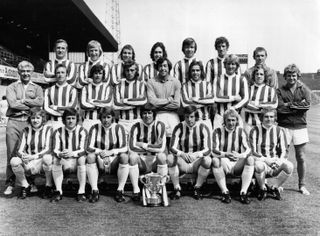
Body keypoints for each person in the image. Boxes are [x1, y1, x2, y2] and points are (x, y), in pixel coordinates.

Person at [4, 61, 44, 195]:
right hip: (14, 121)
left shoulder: (37, 88)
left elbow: (40, 103)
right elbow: (12, 104)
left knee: (29, 150)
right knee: (12, 152)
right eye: (23, 71)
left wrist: (22, 101)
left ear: (31, 73)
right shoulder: (11, 87)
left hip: (29, 122)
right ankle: (10, 182)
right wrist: (30, 104)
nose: (26, 73)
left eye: (28, 71)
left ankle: (30, 181)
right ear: (19, 72)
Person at [277, 64, 311, 195]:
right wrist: (297, 106)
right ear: (285, 77)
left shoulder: (304, 89)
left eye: (294, 75)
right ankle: (278, 184)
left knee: (301, 157)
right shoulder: (280, 90)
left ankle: (302, 185)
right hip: (284, 126)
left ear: (298, 76)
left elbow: (307, 105)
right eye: (289, 75)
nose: (291, 78)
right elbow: (279, 109)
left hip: (300, 126)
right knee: (282, 156)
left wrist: (289, 105)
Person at [168, 106, 211, 200]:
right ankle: (177, 188)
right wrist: (182, 154)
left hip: (196, 162)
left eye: (191, 116)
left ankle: (197, 188)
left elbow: (208, 149)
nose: (189, 119)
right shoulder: (179, 127)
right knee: (170, 158)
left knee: (207, 160)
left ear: (196, 116)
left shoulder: (203, 127)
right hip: (183, 161)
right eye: (187, 117)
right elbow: (172, 147)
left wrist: (196, 154)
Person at [250, 107, 293, 200]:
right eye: (266, 117)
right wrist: (266, 160)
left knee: (289, 166)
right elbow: (252, 151)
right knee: (259, 165)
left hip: (274, 162)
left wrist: (279, 162)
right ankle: (262, 189)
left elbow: (284, 150)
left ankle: (274, 188)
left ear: (275, 118)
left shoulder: (279, 130)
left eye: (271, 117)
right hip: (260, 161)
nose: (269, 119)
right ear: (262, 118)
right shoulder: (254, 130)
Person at [211, 109, 254, 204]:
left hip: (237, 163)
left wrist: (240, 155)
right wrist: (225, 154)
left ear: (237, 121)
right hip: (224, 162)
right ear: (224, 121)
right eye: (228, 120)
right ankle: (225, 192)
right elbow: (213, 151)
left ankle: (243, 192)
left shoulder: (241, 131)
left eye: (233, 120)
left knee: (250, 159)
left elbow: (249, 149)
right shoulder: (217, 132)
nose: (231, 123)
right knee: (215, 160)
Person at [86, 107, 128, 203]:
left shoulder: (119, 128)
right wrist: (102, 152)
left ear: (112, 117)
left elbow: (125, 147)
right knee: (90, 156)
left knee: (124, 157)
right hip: (100, 159)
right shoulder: (94, 128)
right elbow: (89, 147)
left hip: (114, 160)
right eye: (103, 117)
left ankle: (120, 190)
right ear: (100, 118)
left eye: (108, 117)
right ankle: (95, 191)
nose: (105, 120)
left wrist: (111, 152)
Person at [10, 107, 53, 199]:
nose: (35, 120)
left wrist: (33, 157)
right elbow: (19, 150)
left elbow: (48, 148)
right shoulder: (25, 130)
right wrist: (24, 156)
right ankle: (25, 185)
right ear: (29, 119)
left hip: (40, 160)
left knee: (48, 158)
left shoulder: (48, 130)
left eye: (38, 118)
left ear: (43, 119)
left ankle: (48, 185)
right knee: (14, 161)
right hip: (29, 161)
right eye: (33, 118)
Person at [128, 104, 167, 201]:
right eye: (144, 113)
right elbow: (131, 147)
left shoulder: (160, 125)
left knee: (162, 156)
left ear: (153, 114)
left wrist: (142, 144)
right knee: (132, 157)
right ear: (141, 115)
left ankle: (159, 190)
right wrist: (153, 146)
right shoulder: (135, 126)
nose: (147, 115)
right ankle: (136, 190)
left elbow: (161, 148)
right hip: (142, 160)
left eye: (149, 113)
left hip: (154, 160)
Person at [51, 108, 88, 202]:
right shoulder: (58, 131)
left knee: (82, 159)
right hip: (64, 161)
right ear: (64, 120)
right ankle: (58, 191)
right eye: (68, 118)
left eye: (73, 118)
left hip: (76, 161)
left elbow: (84, 149)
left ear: (77, 119)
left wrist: (73, 153)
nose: (71, 121)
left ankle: (81, 191)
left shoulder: (82, 131)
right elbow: (54, 149)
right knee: (56, 159)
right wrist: (60, 154)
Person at [147, 57, 181, 143]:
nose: (163, 68)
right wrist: (169, 100)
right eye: (160, 66)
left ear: (169, 67)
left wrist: (158, 104)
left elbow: (177, 104)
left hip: (173, 115)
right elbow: (152, 102)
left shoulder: (175, 82)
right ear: (157, 68)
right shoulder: (151, 82)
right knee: (160, 142)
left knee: (174, 141)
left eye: (165, 66)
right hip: (158, 115)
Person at [212, 54, 249, 129]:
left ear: (237, 66)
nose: (230, 66)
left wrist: (234, 107)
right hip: (220, 116)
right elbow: (215, 98)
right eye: (228, 64)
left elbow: (245, 99)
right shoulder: (218, 79)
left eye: (233, 64)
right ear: (224, 65)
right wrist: (233, 98)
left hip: (235, 117)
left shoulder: (241, 79)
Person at [113, 60, 147, 135]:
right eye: (127, 70)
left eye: (132, 70)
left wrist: (125, 101)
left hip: (137, 120)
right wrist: (136, 103)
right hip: (122, 121)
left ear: (136, 71)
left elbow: (143, 101)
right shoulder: (118, 85)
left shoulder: (141, 85)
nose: (129, 72)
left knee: (136, 145)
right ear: (124, 71)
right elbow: (115, 105)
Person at [242, 67, 278, 134]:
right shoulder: (248, 89)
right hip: (249, 124)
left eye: (261, 74)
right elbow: (244, 105)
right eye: (257, 74)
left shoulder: (270, 90)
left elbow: (274, 105)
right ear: (253, 76)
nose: (259, 76)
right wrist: (264, 107)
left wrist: (255, 104)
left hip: (265, 124)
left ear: (265, 76)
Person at [181, 60, 215, 131]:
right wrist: (205, 101)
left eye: (197, 70)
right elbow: (185, 103)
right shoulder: (185, 86)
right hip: (190, 122)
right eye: (193, 70)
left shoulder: (207, 84)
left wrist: (195, 99)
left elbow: (211, 100)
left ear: (201, 71)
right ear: (190, 72)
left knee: (207, 142)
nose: (195, 73)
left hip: (205, 120)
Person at [44, 64, 77, 130]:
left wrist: (55, 107)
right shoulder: (48, 90)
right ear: (55, 75)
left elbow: (72, 107)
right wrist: (60, 114)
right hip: (52, 122)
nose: (60, 75)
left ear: (66, 74)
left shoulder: (72, 90)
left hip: (67, 123)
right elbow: (46, 108)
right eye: (58, 73)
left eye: (62, 72)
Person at [80, 64, 113, 131]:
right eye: (96, 73)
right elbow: (83, 105)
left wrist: (92, 101)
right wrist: (99, 106)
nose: (98, 75)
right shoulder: (85, 88)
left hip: (102, 121)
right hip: (88, 121)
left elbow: (108, 103)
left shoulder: (107, 87)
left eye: (100, 73)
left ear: (103, 75)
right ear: (92, 74)